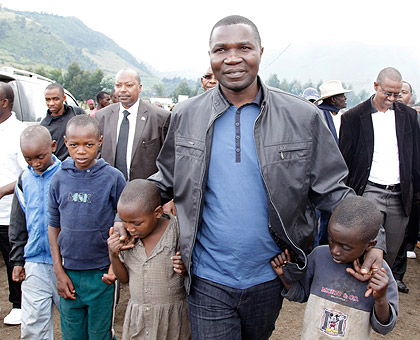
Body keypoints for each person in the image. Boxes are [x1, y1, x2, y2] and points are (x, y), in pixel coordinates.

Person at [134, 15, 383, 339]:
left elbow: (334, 191)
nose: (233, 57)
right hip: (207, 278)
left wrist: (376, 241)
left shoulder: (302, 117)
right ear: (210, 56)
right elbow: (165, 179)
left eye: (244, 47)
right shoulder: (186, 115)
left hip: (270, 275)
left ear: (261, 53)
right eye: (221, 49)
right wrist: (127, 212)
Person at [339, 67, 420, 294]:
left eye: (397, 94)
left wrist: (416, 193)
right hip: (368, 192)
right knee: (363, 246)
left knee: (391, 251)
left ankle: (376, 296)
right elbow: (344, 160)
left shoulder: (409, 116)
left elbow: (414, 156)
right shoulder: (353, 117)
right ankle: (352, 292)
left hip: (399, 193)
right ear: (375, 87)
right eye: (388, 93)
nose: (392, 99)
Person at [271, 196, 398, 339]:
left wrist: (380, 299)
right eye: (331, 239)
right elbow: (301, 294)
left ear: (370, 245)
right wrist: (284, 274)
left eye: (346, 247)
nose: (335, 251)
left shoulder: (379, 273)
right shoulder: (319, 257)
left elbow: (383, 327)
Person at [48, 115, 126, 339]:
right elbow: (53, 226)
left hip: (101, 274)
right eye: (74, 145)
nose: (81, 151)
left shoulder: (113, 178)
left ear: (99, 141)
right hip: (69, 273)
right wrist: (58, 270)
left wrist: (116, 264)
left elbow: (123, 223)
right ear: (65, 142)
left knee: (100, 334)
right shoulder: (59, 179)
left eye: (88, 145)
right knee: (72, 333)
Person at [108, 179, 191, 340]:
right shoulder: (128, 238)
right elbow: (124, 279)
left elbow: (190, 272)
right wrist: (114, 255)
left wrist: (184, 268)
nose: (130, 228)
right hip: (138, 321)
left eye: (137, 223)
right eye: (125, 221)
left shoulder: (176, 230)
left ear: (158, 212)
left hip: (173, 321)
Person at [9, 125, 60, 339]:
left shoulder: (66, 175)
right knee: (33, 324)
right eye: (28, 159)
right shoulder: (23, 180)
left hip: (65, 262)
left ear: (54, 146)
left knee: (72, 318)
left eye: (40, 156)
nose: (35, 163)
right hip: (34, 262)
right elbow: (18, 223)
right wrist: (18, 260)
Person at [95, 68, 170, 181]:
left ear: (139, 88)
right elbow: (97, 152)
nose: (123, 90)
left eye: (129, 85)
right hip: (109, 188)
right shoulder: (102, 116)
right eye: (118, 85)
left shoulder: (160, 117)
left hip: (145, 190)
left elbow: (168, 159)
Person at [313, 80, 352, 247]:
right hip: (321, 171)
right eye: (341, 96)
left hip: (338, 171)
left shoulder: (345, 117)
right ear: (332, 99)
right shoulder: (318, 115)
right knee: (316, 214)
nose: (345, 99)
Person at [0, 82, 24, 325]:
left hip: (8, 214)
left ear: (4, 103)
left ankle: (18, 304)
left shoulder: (19, 133)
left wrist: (3, 191)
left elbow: (29, 173)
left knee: (13, 261)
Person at [40, 83, 85, 161]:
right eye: (48, 99)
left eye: (55, 99)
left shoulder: (77, 113)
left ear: (64, 98)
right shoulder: (44, 127)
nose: (51, 103)